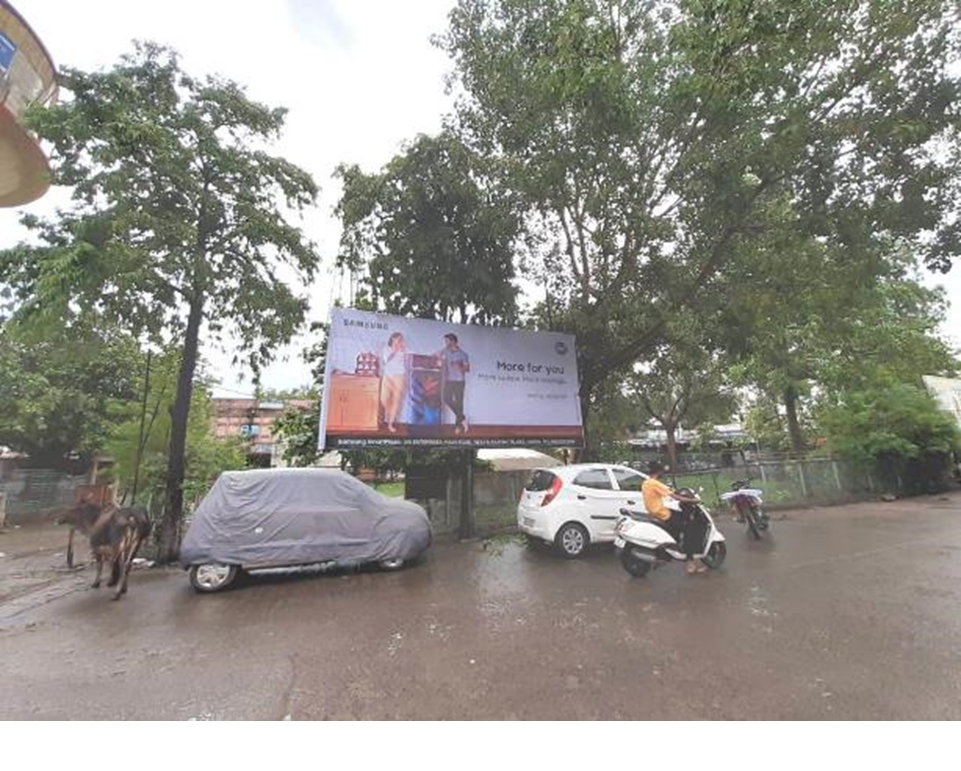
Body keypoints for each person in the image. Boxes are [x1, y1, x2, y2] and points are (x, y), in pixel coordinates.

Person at [642, 461, 706, 575]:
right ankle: (690, 562)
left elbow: (662, 494)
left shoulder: (646, 483)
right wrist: (693, 500)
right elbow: (675, 497)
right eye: (662, 471)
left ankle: (672, 551)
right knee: (689, 527)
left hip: (654, 513)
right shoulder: (655, 483)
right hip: (662, 513)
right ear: (659, 471)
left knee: (678, 523)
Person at [435, 333, 470, 433]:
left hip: (459, 382)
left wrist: (459, 366)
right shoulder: (445, 351)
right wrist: (437, 359)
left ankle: (458, 426)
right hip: (449, 380)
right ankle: (463, 418)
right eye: (445, 341)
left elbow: (467, 369)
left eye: (447, 341)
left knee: (459, 403)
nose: (445, 343)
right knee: (446, 398)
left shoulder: (463, 354)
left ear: (453, 341)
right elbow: (436, 355)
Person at [380, 332, 407, 433]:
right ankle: (386, 416)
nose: (400, 341)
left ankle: (390, 424)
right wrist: (395, 350)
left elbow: (407, 359)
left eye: (401, 339)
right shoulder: (386, 348)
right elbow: (387, 360)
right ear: (393, 339)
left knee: (396, 400)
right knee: (384, 399)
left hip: (400, 376)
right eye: (398, 339)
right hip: (388, 376)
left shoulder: (403, 349)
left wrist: (402, 350)